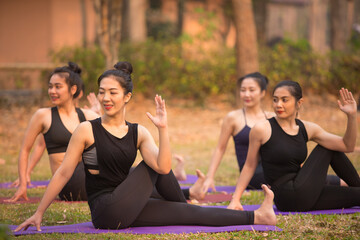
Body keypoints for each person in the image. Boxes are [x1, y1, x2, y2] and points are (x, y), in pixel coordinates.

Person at [14, 62, 276, 231]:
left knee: (191, 213)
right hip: (106, 210)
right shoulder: (87, 129)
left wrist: (163, 128)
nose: (105, 97)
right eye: (102, 91)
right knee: (152, 168)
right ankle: (182, 199)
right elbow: (63, 173)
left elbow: (164, 167)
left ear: (127, 97)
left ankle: (258, 217)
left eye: (112, 92)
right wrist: (39, 213)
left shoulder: (137, 131)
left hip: (129, 205)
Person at [228, 80, 360, 211]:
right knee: (326, 148)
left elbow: (346, 146)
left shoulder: (307, 128)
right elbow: (249, 165)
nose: (278, 104)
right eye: (275, 100)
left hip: (305, 191)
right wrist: (235, 200)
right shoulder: (262, 129)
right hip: (287, 196)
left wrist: (352, 116)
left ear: (299, 103)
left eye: (284, 100)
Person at [6, 62, 99, 202]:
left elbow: (112, 137)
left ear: (73, 89)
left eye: (58, 87)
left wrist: (100, 112)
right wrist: (23, 184)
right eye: (50, 87)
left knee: (129, 170)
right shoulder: (43, 116)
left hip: (88, 176)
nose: (52, 91)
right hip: (67, 184)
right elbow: (25, 150)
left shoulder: (87, 115)